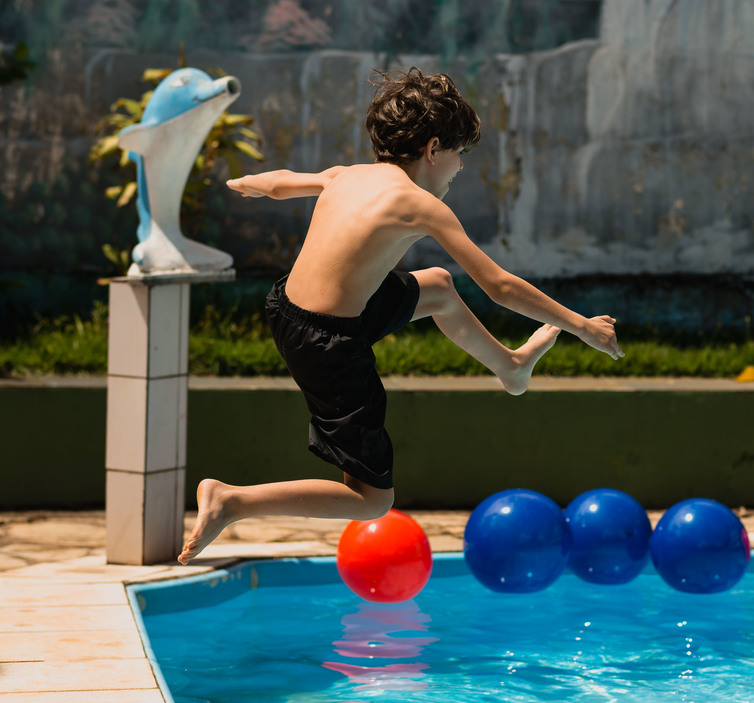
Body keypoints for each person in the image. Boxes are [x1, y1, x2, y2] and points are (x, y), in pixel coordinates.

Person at [178, 67, 623, 565]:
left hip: (289, 305)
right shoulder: (418, 204)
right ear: (433, 149)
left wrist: (253, 183)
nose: (458, 169)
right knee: (372, 499)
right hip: (326, 344)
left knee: (436, 286)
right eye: (459, 156)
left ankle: (510, 367)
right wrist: (580, 325)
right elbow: (499, 286)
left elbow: (284, 184)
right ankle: (232, 500)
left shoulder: (349, 175)